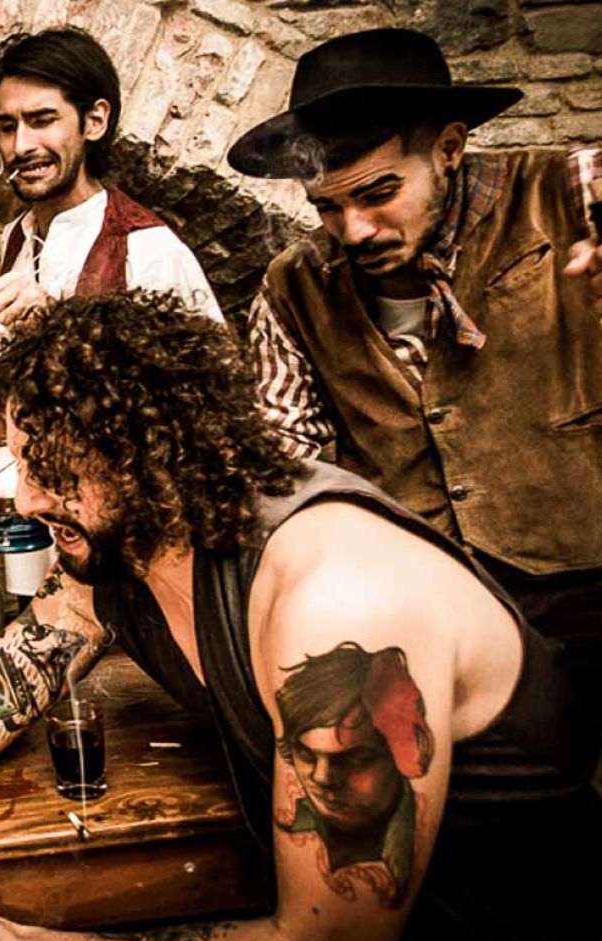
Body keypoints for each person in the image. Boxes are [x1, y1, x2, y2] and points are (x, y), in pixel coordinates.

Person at [0, 290, 599, 941]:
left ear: (149, 453)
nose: (26, 500)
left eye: (53, 470)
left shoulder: (337, 603)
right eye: (21, 466)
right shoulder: (121, 564)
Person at [229, 29, 602, 705]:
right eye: (327, 207)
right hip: (422, 624)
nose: (354, 230)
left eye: (378, 193)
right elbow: (285, 473)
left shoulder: (568, 195)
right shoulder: (295, 288)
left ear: (449, 148)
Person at [0, 26, 222, 335]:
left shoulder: (149, 252)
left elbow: (209, 367)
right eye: (8, 127)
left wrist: (55, 323)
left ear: (95, 121)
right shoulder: (16, 236)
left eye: (43, 121)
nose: (20, 146)